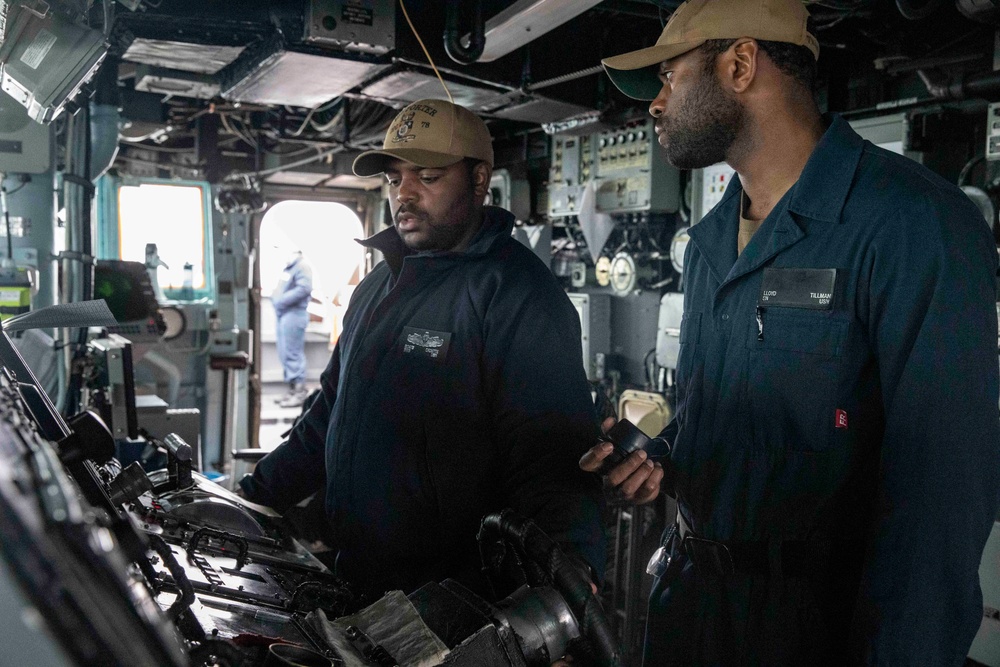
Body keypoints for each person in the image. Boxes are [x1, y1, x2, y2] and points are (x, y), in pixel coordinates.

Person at [579, 0, 1000, 664]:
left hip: (813, 628)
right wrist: (662, 460)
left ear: (740, 64)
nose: (656, 105)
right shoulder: (713, 238)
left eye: (670, 78)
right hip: (690, 609)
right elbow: (727, 416)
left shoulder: (913, 224)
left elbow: (939, 511)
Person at [241, 99, 603, 601]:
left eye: (428, 177)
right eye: (394, 179)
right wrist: (250, 500)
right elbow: (327, 414)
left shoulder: (517, 294)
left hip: (455, 595)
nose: (404, 195)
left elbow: (552, 463)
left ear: (479, 180)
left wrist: (562, 598)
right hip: (360, 573)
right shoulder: (377, 286)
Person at [272, 249, 313, 407]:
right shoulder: (289, 268)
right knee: (284, 352)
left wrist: (281, 301)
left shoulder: (302, 266)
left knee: (292, 353)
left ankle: (299, 392)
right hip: (285, 314)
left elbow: (304, 289)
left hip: (294, 314)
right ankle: (292, 390)